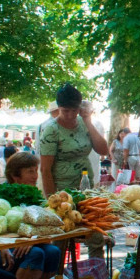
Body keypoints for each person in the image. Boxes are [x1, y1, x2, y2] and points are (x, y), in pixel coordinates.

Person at [39, 84, 110, 258]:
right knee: (61, 239)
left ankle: (96, 277)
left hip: (86, 189)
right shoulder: (51, 130)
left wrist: (87, 121)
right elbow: (45, 169)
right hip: (61, 192)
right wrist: (52, 203)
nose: (70, 115)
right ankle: (55, 278)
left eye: (74, 110)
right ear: (58, 108)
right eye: (65, 111)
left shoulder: (84, 123)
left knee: (95, 233)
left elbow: (103, 150)